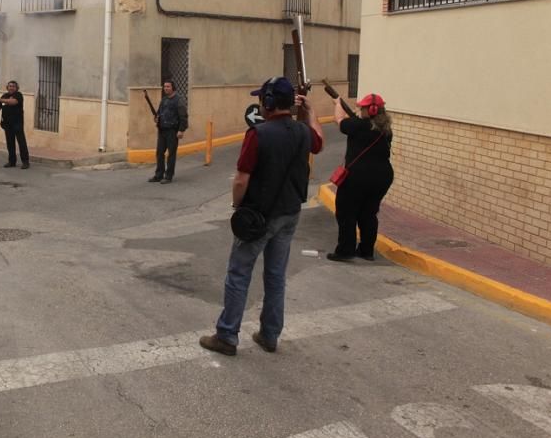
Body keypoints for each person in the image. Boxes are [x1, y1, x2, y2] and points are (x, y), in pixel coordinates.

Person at [200, 76, 323, 356]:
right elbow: (320, 143)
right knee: (276, 276)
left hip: (260, 215)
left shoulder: (258, 134)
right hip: (290, 212)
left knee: (238, 274)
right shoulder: (303, 131)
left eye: (261, 99)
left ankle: (227, 335)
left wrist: (237, 207)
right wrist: (311, 113)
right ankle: (269, 334)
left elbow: (241, 180)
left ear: (268, 103)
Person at [326, 93, 394, 262]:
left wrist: (337, 103)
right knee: (369, 213)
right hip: (382, 177)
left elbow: (339, 120)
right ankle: (366, 250)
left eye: (362, 107)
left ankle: (345, 250)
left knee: (346, 212)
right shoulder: (386, 130)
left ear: (369, 110)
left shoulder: (358, 125)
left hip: (357, 177)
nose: (359, 109)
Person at [148, 79, 188, 184]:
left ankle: (168, 176)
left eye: (168, 86)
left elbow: (183, 117)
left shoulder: (179, 100)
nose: (166, 88)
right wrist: (157, 118)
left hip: (172, 131)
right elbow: (159, 113)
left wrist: (181, 130)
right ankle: (158, 174)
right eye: (164, 86)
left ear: (173, 88)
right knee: (159, 153)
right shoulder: (164, 100)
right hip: (162, 131)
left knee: (171, 154)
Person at [0, 80, 30, 169]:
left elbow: (13, 102)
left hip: (17, 123)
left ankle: (25, 162)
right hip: (7, 123)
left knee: (21, 143)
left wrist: (0, 99)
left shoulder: (18, 95)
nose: (11, 87)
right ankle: (12, 161)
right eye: (10, 86)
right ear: (7, 87)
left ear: (16, 88)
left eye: (13, 86)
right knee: (10, 143)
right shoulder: (5, 95)